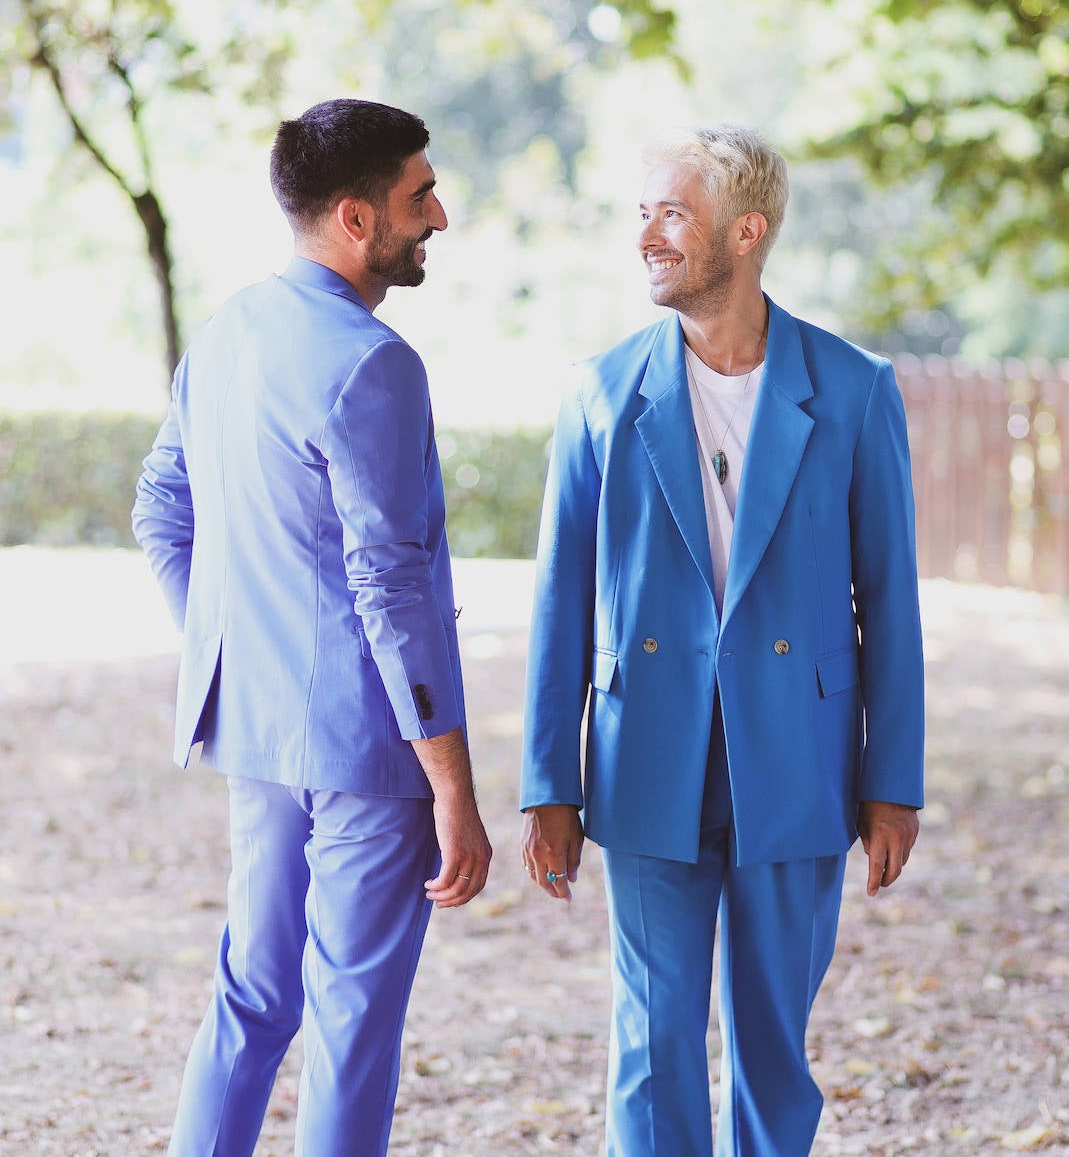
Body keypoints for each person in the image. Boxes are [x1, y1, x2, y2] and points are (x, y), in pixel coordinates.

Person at [520, 124, 924, 1156]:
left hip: (798, 761)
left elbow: (888, 599)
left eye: (671, 213)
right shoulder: (598, 394)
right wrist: (547, 787)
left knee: (772, 1045)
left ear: (746, 232)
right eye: (642, 213)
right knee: (651, 1046)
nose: (647, 236)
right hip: (645, 755)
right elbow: (560, 602)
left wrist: (893, 781)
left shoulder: (852, 389)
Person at [132, 98, 492, 1157]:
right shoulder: (375, 364)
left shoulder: (229, 328)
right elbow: (390, 584)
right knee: (350, 1026)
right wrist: (454, 783)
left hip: (255, 728)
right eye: (419, 194)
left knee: (252, 998)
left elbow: (161, 508)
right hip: (367, 751)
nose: (438, 215)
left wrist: (232, 652)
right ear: (353, 216)